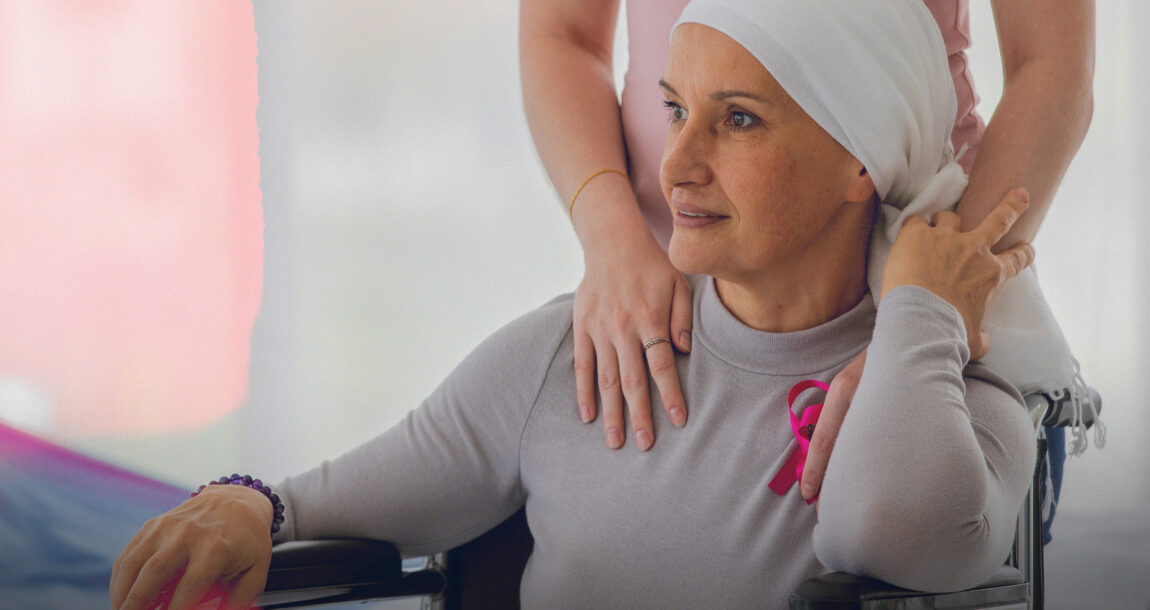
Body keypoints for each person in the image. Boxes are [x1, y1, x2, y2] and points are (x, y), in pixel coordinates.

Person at [111, 1, 1039, 608]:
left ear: (861, 161)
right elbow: (320, 500)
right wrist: (242, 504)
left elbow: (897, 531)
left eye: (740, 118)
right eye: (675, 110)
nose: (672, 165)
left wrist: (922, 312)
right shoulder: (585, 353)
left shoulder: (966, 404)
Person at [520, 0, 1096, 508]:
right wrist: (613, 240)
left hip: (928, 274)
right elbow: (565, 33)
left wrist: (932, 312)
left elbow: (1050, 63)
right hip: (667, 306)